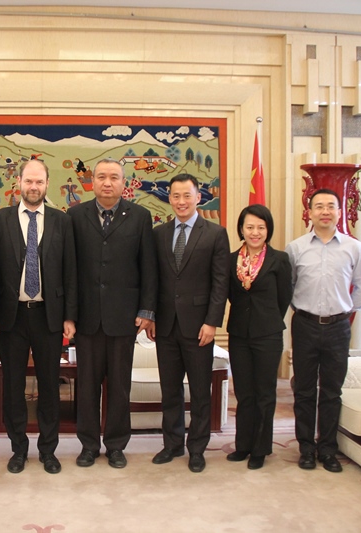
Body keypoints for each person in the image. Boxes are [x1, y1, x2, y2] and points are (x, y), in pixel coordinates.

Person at [0, 160, 77, 475]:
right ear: (19, 183)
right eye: (28, 181)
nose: (33, 187)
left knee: (50, 385)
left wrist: (69, 316)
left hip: (49, 316)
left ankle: (48, 450)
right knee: (13, 386)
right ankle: (18, 449)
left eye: (39, 182)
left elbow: (71, 272)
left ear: (47, 184)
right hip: (10, 317)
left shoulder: (62, 221)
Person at [67, 157, 157, 469]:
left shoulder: (140, 216)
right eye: (102, 177)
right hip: (87, 318)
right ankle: (88, 445)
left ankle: (116, 445)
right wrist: (69, 315)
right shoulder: (75, 215)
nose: (107, 183)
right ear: (92, 181)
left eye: (114, 177)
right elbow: (69, 270)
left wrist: (147, 310)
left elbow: (148, 266)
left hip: (124, 317)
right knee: (87, 387)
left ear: (123, 182)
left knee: (119, 387)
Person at [147, 173, 230, 473]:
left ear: (198, 197)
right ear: (169, 198)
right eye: (176, 196)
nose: (181, 201)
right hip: (165, 325)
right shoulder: (158, 233)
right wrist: (151, 315)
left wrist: (212, 322)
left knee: (199, 391)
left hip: (199, 327)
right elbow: (153, 280)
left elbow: (220, 282)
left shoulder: (215, 234)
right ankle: (172, 444)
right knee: (170, 390)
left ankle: (197, 448)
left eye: (187, 195)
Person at [285, 188, 361, 473]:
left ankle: (328, 449)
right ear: (309, 212)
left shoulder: (353, 248)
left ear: (339, 211)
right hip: (305, 324)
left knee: (332, 391)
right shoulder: (296, 248)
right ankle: (306, 449)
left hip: (338, 327)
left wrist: (345, 311)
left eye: (330, 206)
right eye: (319, 206)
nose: (325, 211)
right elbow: (289, 286)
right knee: (304, 390)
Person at [226, 204, 292, 470]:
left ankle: (260, 449)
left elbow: (284, 298)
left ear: (268, 230)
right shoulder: (230, 260)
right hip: (239, 333)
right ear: (241, 229)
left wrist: (267, 319)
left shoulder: (280, 259)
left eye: (261, 227)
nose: (255, 232)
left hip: (268, 334)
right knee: (244, 392)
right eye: (250, 227)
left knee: (264, 392)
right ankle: (243, 445)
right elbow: (230, 294)